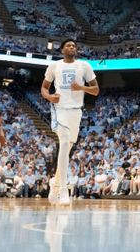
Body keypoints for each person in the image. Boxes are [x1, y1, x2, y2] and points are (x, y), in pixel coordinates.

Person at [41, 39, 99, 206]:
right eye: (68, 45)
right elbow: (44, 88)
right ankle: (63, 189)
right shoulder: (55, 66)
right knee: (64, 144)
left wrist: (81, 88)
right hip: (60, 109)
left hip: (76, 111)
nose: (72, 47)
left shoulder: (84, 66)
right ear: (62, 50)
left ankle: (55, 182)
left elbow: (95, 90)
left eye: (74, 46)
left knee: (67, 149)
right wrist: (49, 96)